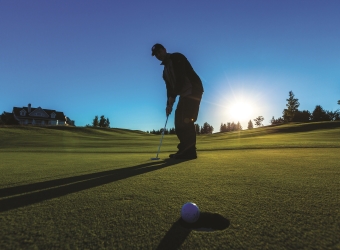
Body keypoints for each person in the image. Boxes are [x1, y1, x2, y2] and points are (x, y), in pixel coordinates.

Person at [151, 43, 204, 159]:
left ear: (164, 50)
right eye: (156, 55)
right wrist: (168, 104)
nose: (158, 55)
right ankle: (184, 150)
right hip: (184, 94)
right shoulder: (165, 72)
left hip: (193, 90)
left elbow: (180, 78)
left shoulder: (177, 57)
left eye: (159, 52)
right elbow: (169, 89)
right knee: (178, 120)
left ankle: (189, 151)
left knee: (186, 119)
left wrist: (173, 98)